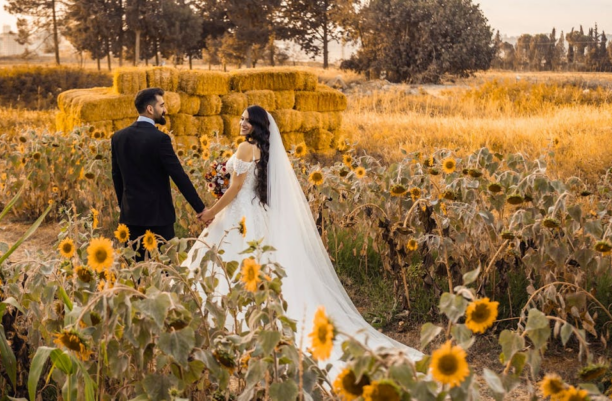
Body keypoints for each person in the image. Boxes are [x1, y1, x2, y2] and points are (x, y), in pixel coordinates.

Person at [186, 105, 422, 376]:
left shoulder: (243, 148)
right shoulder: (265, 151)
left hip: (238, 216)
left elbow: (236, 187)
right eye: (241, 119)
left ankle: (227, 322)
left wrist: (211, 212)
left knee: (228, 262)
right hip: (256, 213)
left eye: (248, 121)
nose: (242, 124)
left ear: (259, 126)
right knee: (257, 264)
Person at [111, 87, 208, 258]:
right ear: (150, 109)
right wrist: (200, 209)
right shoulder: (160, 139)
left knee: (135, 275)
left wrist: (124, 207)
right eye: (162, 105)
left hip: (130, 217)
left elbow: (116, 176)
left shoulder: (118, 137)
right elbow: (179, 176)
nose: (166, 110)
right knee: (165, 271)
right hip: (159, 217)